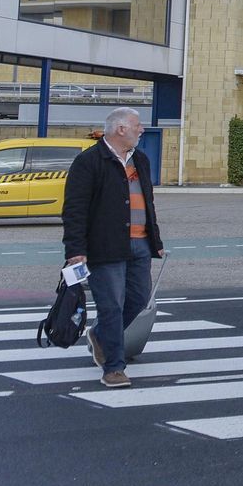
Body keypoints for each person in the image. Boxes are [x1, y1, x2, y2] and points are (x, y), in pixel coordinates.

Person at [65, 107, 166, 389]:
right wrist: (75, 249)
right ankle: (114, 367)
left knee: (138, 302)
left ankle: (99, 335)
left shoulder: (140, 160)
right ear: (120, 129)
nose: (141, 130)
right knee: (112, 306)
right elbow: (74, 210)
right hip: (105, 247)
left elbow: (148, 202)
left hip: (140, 245)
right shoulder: (90, 161)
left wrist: (154, 241)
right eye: (137, 125)